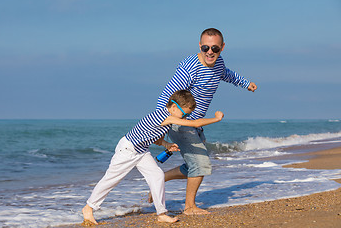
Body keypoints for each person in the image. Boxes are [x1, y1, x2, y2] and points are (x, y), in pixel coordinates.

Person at [153, 28, 258, 215]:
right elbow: (167, 98)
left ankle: (161, 177)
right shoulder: (189, 68)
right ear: (199, 46)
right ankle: (189, 207)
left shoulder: (218, 63)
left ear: (222, 48)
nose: (210, 52)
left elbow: (226, 74)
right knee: (201, 164)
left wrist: (245, 83)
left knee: (192, 166)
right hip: (181, 124)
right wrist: (159, 126)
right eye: (206, 47)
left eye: (215, 48)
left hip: (197, 123)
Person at [82, 90, 224, 225]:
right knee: (111, 179)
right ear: (174, 107)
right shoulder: (165, 116)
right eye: (184, 114)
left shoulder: (168, 118)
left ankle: (161, 214)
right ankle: (89, 208)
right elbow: (195, 123)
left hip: (141, 151)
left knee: (157, 176)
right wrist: (216, 118)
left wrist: (166, 144)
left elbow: (156, 138)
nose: (185, 118)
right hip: (127, 150)